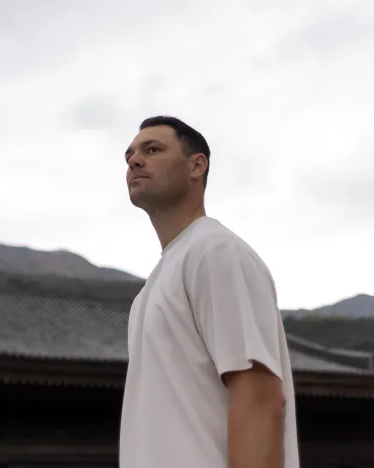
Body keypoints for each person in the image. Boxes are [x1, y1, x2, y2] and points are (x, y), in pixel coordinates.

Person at [118, 116, 299, 468]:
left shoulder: (216, 251)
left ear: (196, 165)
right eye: (129, 156)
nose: (134, 161)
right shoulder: (151, 290)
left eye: (152, 150)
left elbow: (259, 397)